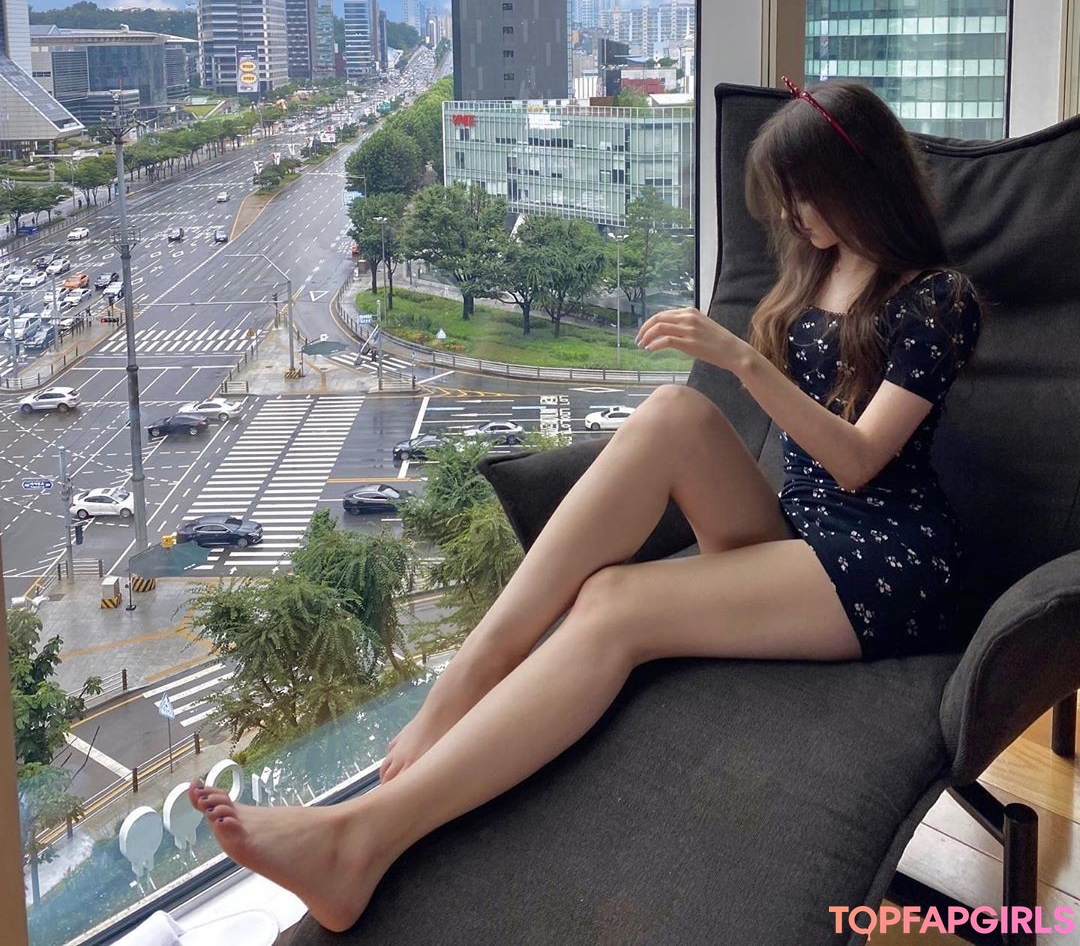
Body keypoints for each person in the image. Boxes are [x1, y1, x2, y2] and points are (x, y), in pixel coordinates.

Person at [189, 78, 985, 933]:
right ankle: (470, 674)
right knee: (672, 412)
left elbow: (859, 463)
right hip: (796, 532)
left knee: (615, 603)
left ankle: (359, 842)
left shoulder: (937, 297)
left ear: (859, 180)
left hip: (885, 565)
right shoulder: (820, 264)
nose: (792, 215)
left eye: (805, 195)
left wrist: (745, 363)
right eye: (785, 197)